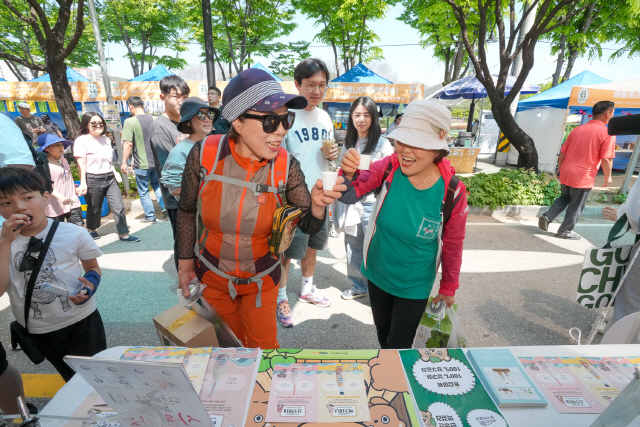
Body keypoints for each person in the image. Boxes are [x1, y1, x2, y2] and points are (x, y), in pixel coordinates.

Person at [176, 68, 346, 349]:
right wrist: (184, 267)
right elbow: (185, 210)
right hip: (212, 277)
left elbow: (307, 226)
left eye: (286, 119)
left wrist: (317, 206)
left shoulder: (286, 164)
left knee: (263, 352)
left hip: (262, 280)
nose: (281, 130)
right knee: (224, 352)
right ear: (238, 122)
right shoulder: (205, 153)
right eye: (270, 121)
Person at [338, 99, 468, 349]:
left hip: (414, 284)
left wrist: (448, 287)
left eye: (418, 143)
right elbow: (350, 193)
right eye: (401, 140)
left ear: (438, 149)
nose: (406, 151)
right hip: (377, 273)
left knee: (399, 343)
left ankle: (396, 382)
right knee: (383, 332)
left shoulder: (452, 192)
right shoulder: (388, 167)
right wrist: (348, 173)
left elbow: (453, 244)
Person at [0, 167, 107, 381]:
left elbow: (93, 269)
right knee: (71, 377)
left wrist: (89, 287)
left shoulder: (74, 233)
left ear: (46, 197)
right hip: (40, 328)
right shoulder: (3, 242)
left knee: (99, 373)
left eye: (28, 197)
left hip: (83, 320)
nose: (19, 207)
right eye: (5, 202)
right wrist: (5, 242)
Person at [278, 58, 338, 327]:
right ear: (297, 84)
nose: (316, 91)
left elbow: (328, 156)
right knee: (288, 251)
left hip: (321, 194)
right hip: (294, 196)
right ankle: (280, 296)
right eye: (310, 85)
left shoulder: (325, 116)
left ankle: (306, 289)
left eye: (322, 85)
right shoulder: (286, 115)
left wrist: (333, 155)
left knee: (313, 246)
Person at [334, 96, 393, 300]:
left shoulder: (383, 144)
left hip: (373, 203)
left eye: (366, 115)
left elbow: (390, 175)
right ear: (351, 117)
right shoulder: (349, 142)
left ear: (373, 117)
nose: (362, 119)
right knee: (352, 246)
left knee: (375, 247)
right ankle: (359, 286)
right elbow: (343, 171)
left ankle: (379, 288)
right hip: (352, 203)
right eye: (357, 115)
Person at [539, 101, 616, 240]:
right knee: (576, 205)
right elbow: (606, 158)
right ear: (608, 113)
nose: (613, 114)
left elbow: (563, 153)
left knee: (564, 197)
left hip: (567, 172)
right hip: (583, 175)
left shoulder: (578, 129)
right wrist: (608, 176)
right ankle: (564, 231)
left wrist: (560, 169)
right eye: (613, 112)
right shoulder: (608, 133)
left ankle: (547, 217)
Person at [74, 112, 140, 242]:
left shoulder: (106, 140)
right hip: (92, 178)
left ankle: (124, 233)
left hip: (110, 177)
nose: (98, 125)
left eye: (100, 123)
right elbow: (81, 163)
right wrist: (83, 183)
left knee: (118, 206)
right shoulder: (81, 140)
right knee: (94, 207)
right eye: (94, 123)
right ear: (87, 125)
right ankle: (92, 229)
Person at [149, 75, 190, 270]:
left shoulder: (188, 122)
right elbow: (171, 172)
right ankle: (186, 287)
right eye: (176, 96)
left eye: (185, 96)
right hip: (178, 198)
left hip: (196, 195)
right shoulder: (160, 127)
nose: (181, 100)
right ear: (162, 97)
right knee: (184, 245)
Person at [161, 97, 219, 198]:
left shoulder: (213, 144)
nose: (207, 119)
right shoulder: (180, 151)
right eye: (200, 115)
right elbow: (174, 189)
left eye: (210, 114)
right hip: (195, 211)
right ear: (188, 122)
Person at [121, 96, 166, 223]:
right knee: (157, 186)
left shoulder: (130, 122)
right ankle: (165, 210)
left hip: (142, 164)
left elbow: (128, 144)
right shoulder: (155, 119)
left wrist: (124, 162)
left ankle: (150, 216)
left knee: (144, 191)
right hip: (157, 162)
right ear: (143, 106)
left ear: (130, 107)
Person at [37, 134, 84, 226]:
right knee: (56, 233)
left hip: (72, 201)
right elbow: (46, 185)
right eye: (56, 145)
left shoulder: (64, 160)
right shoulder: (44, 165)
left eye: (61, 144)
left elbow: (66, 178)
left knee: (79, 229)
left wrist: (73, 188)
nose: (61, 147)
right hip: (54, 205)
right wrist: (61, 197)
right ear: (46, 148)